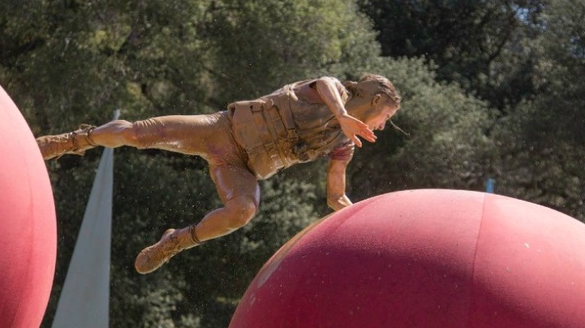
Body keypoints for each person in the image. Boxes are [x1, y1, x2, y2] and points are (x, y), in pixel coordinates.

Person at [37, 74, 401, 274]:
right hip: (219, 130)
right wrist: (340, 114)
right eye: (386, 118)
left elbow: (335, 197)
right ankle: (70, 141)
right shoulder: (332, 90)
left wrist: (366, 222)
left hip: (239, 167)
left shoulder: (344, 144)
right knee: (136, 133)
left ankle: (175, 241)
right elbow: (323, 82)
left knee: (243, 211)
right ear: (372, 102)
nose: (382, 127)